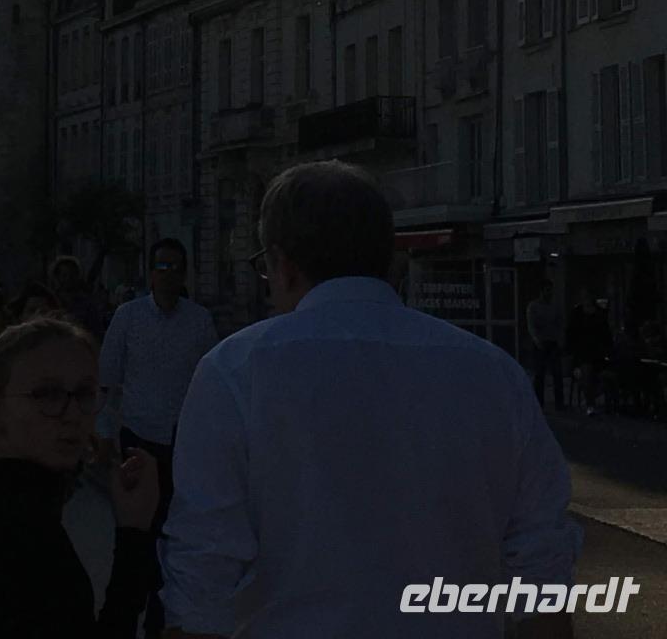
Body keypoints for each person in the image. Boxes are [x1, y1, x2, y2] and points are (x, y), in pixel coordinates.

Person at [160, 160, 582, 638]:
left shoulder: (234, 371)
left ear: (283, 264)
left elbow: (203, 577)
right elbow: (541, 574)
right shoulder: (495, 374)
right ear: (388, 257)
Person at [0, 318, 160, 637]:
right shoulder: (10, 527)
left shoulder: (2, 507)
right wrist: (134, 536)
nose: (72, 413)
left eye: (84, 393)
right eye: (47, 395)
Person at [98, 237, 217, 637]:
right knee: (135, 533)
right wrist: (103, 435)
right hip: (138, 436)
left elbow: (209, 382)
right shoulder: (128, 318)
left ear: (184, 273)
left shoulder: (199, 321)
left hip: (183, 442)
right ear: (150, 272)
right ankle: (124, 617)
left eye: (174, 267)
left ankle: (160, 620)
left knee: (173, 532)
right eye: (160, 267)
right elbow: (108, 379)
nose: (167, 274)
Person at [566, 288, 612, 416]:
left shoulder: (600, 313)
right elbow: (571, 334)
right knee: (586, 372)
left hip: (598, 353)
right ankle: (590, 404)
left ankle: (593, 397)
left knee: (606, 375)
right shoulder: (577, 313)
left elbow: (606, 333)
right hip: (582, 354)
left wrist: (607, 350)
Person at [527, 279, 565, 412]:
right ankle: (539, 403)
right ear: (541, 291)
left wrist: (559, 340)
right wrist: (536, 339)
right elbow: (531, 325)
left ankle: (560, 404)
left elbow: (560, 324)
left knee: (557, 373)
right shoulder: (534, 306)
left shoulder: (555, 307)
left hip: (553, 342)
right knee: (539, 374)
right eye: (547, 290)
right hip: (540, 343)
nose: (549, 293)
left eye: (551, 290)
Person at [51, 254, 105, 339]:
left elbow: (97, 334)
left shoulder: (88, 305)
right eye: (64, 275)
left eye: (72, 275)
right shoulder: (49, 301)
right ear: (57, 277)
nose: (68, 279)